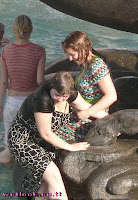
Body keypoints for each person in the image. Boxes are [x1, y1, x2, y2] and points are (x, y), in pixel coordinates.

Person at [8, 71, 107, 200]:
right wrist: (70, 147)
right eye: (56, 95)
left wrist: (112, 121)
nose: (60, 99)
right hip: (22, 141)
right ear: (51, 87)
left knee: (43, 187)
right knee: (54, 176)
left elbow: (87, 108)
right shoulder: (42, 99)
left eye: (64, 97)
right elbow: (46, 133)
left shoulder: (70, 94)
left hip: (42, 143)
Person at [0, 15, 46, 163]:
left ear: (14, 30)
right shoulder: (39, 50)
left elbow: (3, 82)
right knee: (30, 145)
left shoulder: (5, 51)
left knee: (9, 147)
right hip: (30, 103)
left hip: (12, 102)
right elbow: (40, 80)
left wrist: (0, 106)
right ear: (31, 30)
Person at [62, 31, 117, 120]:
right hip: (82, 113)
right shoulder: (85, 65)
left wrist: (88, 112)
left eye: (72, 54)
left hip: (94, 118)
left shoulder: (97, 66)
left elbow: (111, 96)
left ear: (83, 49)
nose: (70, 58)